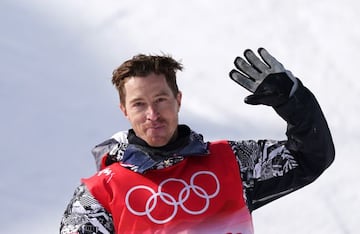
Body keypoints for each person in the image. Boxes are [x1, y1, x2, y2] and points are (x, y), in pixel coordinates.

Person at [60, 48, 335, 234]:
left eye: (160, 100)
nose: (152, 114)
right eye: (139, 104)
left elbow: (310, 157)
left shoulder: (232, 161)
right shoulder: (98, 194)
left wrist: (294, 102)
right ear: (124, 110)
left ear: (178, 100)